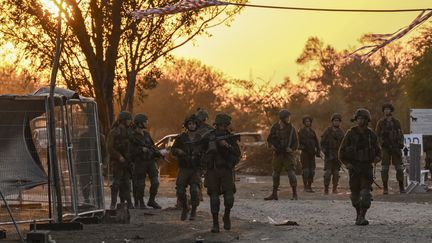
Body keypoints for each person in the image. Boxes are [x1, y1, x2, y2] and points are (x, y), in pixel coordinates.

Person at [339, 108, 381, 226]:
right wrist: (347, 164)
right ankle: (358, 214)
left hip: (366, 168)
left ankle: (362, 216)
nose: (360, 121)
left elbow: (379, 152)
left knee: (365, 194)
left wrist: (377, 158)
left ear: (367, 120)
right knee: (355, 195)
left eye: (362, 119)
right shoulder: (350, 133)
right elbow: (341, 152)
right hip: (354, 169)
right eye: (358, 118)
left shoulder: (371, 135)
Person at [202, 113, 241, 233]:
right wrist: (209, 148)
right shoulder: (208, 136)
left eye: (226, 125)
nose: (224, 127)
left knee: (229, 198)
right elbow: (200, 152)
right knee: (214, 198)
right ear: (217, 125)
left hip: (226, 170)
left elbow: (237, 155)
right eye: (222, 125)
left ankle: (226, 216)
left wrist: (227, 146)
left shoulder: (230, 137)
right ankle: (215, 223)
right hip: (213, 170)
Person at [171, 115, 202, 220]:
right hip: (184, 167)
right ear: (186, 125)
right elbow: (173, 150)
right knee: (180, 191)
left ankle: (193, 210)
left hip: (195, 168)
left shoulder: (200, 138)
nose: (192, 126)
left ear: (196, 125)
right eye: (189, 124)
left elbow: (205, 152)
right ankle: (185, 207)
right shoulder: (181, 138)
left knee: (194, 191)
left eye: (193, 124)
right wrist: (179, 151)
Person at [129, 113, 162, 209]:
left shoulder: (146, 134)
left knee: (155, 182)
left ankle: (151, 200)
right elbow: (130, 150)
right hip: (140, 162)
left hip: (150, 161)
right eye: (145, 122)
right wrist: (141, 150)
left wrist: (158, 153)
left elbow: (152, 146)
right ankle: (140, 202)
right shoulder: (132, 135)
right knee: (140, 184)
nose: (146, 123)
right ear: (139, 123)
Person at [264, 109, 299, 200]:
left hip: (288, 155)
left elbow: (296, 143)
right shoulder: (275, 127)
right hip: (278, 154)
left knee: (291, 174)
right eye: (287, 117)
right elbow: (269, 139)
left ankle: (295, 194)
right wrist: (271, 146)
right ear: (282, 118)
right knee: (275, 174)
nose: (289, 119)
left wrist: (291, 149)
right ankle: (274, 194)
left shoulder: (291, 129)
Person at [376, 103, 405, 194]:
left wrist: (401, 143)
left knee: (399, 168)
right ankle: (385, 188)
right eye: (385, 109)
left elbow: (401, 134)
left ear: (391, 110)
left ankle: (401, 187)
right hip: (386, 148)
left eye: (388, 109)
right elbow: (377, 135)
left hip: (396, 147)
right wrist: (382, 143)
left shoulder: (397, 122)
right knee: (384, 168)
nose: (386, 111)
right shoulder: (380, 122)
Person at [107, 111, 133, 209]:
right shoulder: (114, 132)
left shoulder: (130, 131)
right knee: (116, 183)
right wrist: (119, 156)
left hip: (127, 161)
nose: (130, 121)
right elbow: (109, 147)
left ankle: (128, 203)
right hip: (117, 161)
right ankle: (113, 203)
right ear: (123, 120)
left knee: (127, 182)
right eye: (128, 119)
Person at [321, 113, 345, 194]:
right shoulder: (327, 131)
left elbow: (344, 145)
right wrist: (325, 151)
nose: (336, 122)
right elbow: (322, 143)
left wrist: (342, 155)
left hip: (337, 155)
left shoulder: (341, 133)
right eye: (335, 121)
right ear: (332, 122)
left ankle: (334, 188)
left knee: (336, 173)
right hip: (329, 155)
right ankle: (326, 189)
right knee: (327, 173)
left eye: (338, 121)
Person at [298, 116, 320, 192]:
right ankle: (305, 187)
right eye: (306, 121)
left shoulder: (312, 131)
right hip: (304, 154)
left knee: (312, 171)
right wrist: (302, 147)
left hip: (312, 154)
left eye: (309, 121)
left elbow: (317, 142)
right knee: (306, 171)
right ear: (304, 123)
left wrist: (318, 151)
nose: (308, 123)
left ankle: (309, 186)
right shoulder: (301, 131)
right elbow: (298, 143)